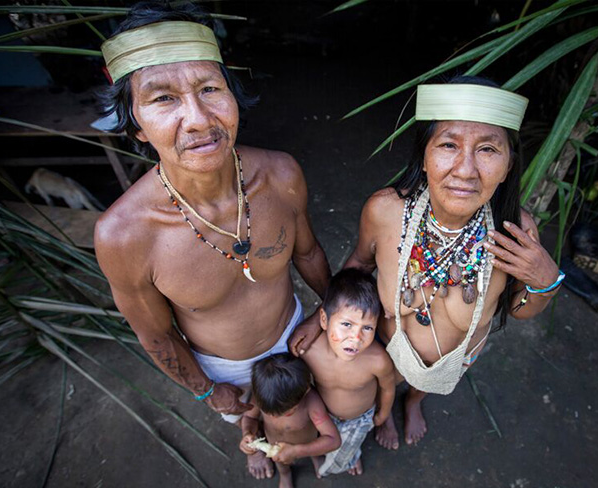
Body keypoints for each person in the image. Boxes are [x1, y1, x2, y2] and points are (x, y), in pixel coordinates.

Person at [93, 2, 330, 479]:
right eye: (163, 99)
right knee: (251, 426)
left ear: (233, 97)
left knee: (309, 414)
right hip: (223, 369)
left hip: (297, 336)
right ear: (137, 125)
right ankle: (258, 451)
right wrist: (206, 389)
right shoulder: (124, 236)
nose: (199, 119)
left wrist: (332, 314)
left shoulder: (280, 174)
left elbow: (306, 252)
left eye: (209, 89)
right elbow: (155, 333)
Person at [341, 77, 564, 448]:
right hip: (387, 346)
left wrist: (545, 282)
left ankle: (414, 401)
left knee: (422, 387)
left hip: (454, 361)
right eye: (448, 145)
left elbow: (519, 309)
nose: (465, 170)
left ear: (509, 165)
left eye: (488, 149)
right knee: (384, 381)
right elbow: (358, 266)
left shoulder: (516, 232)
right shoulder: (384, 210)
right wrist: (326, 318)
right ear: (424, 157)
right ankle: (386, 407)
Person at [302, 268, 395, 476]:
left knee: (344, 454)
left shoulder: (377, 361)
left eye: (367, 328)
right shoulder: (308, 351)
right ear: (324, 320)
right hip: (321, 414)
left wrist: (383, 414)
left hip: (358, 420)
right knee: (317, 439)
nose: (356, 337)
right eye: (346, 324)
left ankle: (347, 459)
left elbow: (388, 388)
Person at [239, 353, 341, 488]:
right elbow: (249, 417)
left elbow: (333, 440)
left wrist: (297, 451)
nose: (275, 417)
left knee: (316, 450)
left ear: (305, 391)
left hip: (308, 443)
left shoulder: (311, 402)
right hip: (275, 448)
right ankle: (285, 474)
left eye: (285, 413)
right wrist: (247, 433)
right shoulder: (263, 395)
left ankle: (315, 457)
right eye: (270, 413)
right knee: (281, 463)